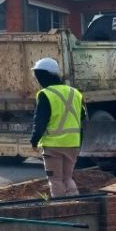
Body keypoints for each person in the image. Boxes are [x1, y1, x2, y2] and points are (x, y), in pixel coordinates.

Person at [29, 57, 86, 198]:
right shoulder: (75, 93)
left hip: (53, 145)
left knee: (55, 180)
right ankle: (76, 205)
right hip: (73, 143)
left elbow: (40, 121)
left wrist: (34, 141)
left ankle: (61, 207)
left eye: (38, 76)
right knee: (68, 178)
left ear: (44, 76)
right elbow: (82, 116)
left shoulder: (45, 95)